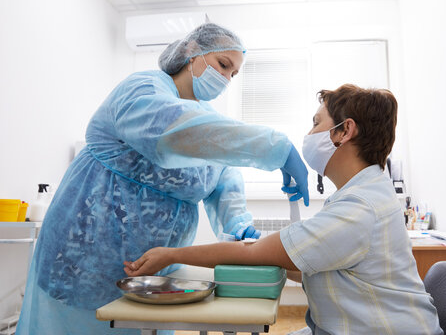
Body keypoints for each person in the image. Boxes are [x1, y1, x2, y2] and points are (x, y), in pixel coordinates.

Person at [15, 23, 309, 335]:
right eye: (223, 65)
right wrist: (276, 147)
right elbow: (172, 132)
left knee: (145, 326)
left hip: (155, 271)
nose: (225, 78)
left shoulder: (203, 118)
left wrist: (235, 220)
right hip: (85, 254)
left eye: (233, 74)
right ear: (191, 52)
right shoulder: (142, 90)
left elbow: (222, 174)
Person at [124, 84, 444, 335]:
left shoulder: (360, 207)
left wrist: (172, 254)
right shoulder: (363, 194)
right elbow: (315, 266)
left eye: (316, 123)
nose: (308, 134)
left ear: (344, 132)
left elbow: (253, 254)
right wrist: (271, 250)